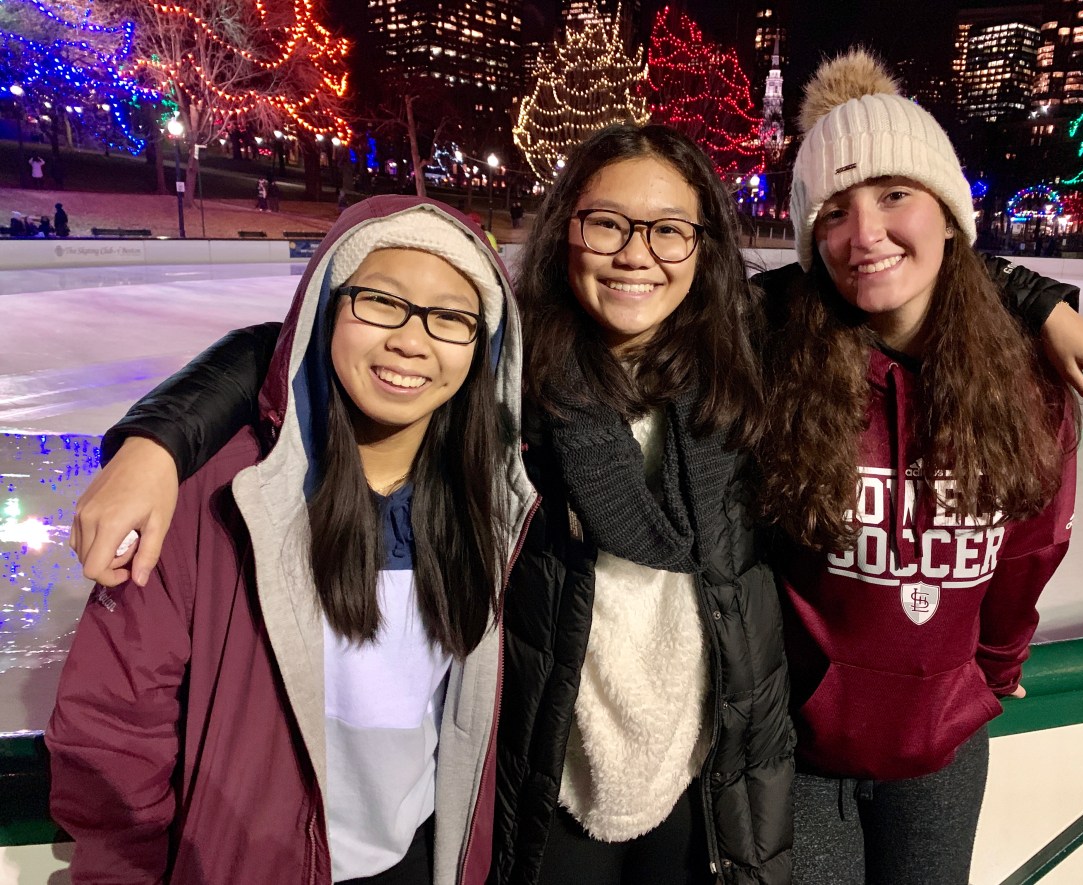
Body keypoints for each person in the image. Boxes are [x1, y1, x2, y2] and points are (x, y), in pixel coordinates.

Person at [68, 125, 798, 884]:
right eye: (607, 222)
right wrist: (159, 439)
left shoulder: (750, 380)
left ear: (706, 246)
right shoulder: (516, 388)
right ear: (566, 232)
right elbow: (292, 345)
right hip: (547, 784)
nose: (636, 253)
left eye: (670, 230)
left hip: (700, 780)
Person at [47, 195, 535, 885]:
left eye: (451, 317)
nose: (411, 340)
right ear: (326, 310)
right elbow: (114, 727)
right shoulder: (216, 498)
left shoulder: (496, 506)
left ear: (483, 346)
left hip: (418, 860)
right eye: (380, 302)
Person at [755, 51, 1082, 885]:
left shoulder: (1028, 383)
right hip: (803, 749)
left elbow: (1030, 547)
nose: (864, 233)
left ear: (947, 210)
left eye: (895, 193)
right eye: (834, 211)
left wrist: (992, 670)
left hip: (943, 745)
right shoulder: (776, 360)